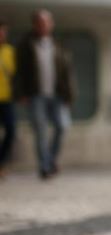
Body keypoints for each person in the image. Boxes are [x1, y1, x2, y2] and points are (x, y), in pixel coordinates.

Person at [15, 10, 75, 180]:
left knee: (62, 126)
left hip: (57, 94)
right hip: (35, 95)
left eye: (47, 22)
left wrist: (69, 95)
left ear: (51, 24)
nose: (43, 25)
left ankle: (51, 160)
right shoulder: (26, 44)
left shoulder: (59, 44)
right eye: (40, 22)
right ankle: (45, 168)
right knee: (40, 132)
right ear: (35, 25)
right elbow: (19, 72)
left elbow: (67, 72)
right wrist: (21, 93)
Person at [0, 19, 16, 178]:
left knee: (11, 131)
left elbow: (15, 76)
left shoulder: (10, 52)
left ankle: (1, 162)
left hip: (6, 98)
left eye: (3, 32)